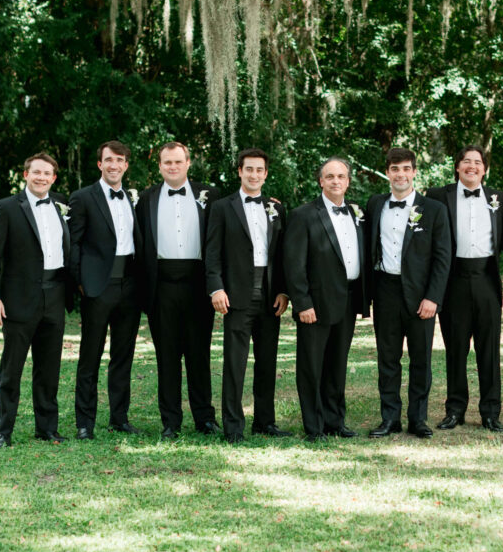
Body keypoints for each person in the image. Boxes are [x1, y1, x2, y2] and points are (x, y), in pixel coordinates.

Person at [0, 153, 74, 447]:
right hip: (19, 299)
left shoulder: (61, 206)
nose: (41, 177)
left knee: (49, 369)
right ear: (25, 174)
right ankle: (3, 432)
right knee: (12, 370)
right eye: (36, 172)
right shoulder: (7, 208)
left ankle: (46, 428)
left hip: (55, 296)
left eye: (47, 173)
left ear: (54, 178)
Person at [135, 142, 222, 440]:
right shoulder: (146, 199)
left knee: (199, 355)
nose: (172, 167)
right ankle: (170, 420)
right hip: (161, 287)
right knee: (167, 357)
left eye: (177, 161)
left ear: (188, 163)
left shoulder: (209, 195)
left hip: (199, 285)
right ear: (159, 166)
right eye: (166, 162)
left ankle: (205, 418)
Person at [205, 148, 291, 444]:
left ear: (266, 174)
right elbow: (212, 251)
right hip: (236, 294)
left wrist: (283, 290)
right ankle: (233, 426)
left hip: (270, 295)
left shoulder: (276, 208)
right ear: (239, 171)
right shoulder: (221, 207)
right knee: (235, 363)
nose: (254, 175)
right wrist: (216, 287)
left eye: (259, 170)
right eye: (249, 169)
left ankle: (265, 421)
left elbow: (281, 255)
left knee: (267, 361)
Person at [365, 147, 452, 439]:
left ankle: (418, 419)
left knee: (420, 359)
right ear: (387, 173)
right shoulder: (375, 204)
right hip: (386, 290)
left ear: (414, 171)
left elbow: (443, 258)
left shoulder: (434, 209)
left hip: (420, 295)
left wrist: (434, 297)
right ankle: (389, 418)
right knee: (387, 359)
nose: (400, 174)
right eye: (394, 169)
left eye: (405, 169)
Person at [284, 157, 369, 441]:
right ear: (321, 181)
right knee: (311, 366)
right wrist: (302, 303)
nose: (335, 181)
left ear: (347, 181)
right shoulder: (303, 215)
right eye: (329, 176)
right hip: (315, 304)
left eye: (341, 176)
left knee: (337, 364)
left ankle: (335, 421)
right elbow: (293, 264)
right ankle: (314, 426)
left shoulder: (356, 213)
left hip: (347, 299)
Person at [426, 145, 503, 432]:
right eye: (466, 161)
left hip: (486, 278)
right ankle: (455, 409)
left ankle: (490, 412)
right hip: (453, 280)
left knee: (490, 349)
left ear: (484, 168)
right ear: (457, 167)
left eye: (477, 162)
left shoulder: (500, 198)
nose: (472, 166)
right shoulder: (437, 196)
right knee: (455, 348)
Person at [69, 140, 143, 440]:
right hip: (97, 288)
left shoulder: (134, 198)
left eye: (120, 160)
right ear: (100, 164)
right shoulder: (83, 197)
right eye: (109, 160)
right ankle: (85, 422)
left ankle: (119, 418)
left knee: (123, 355)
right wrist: (79, 283)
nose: (114, 165)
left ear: (126, 165)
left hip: (130, 286)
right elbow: (73, 243)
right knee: (90, 356)